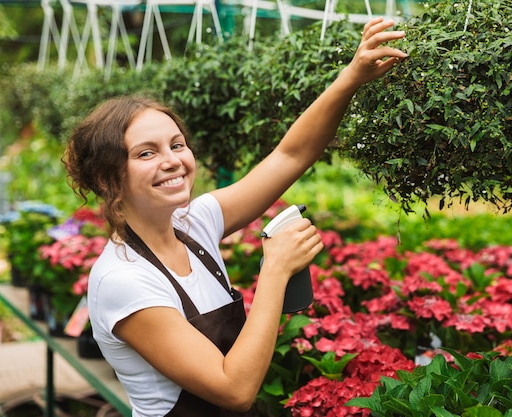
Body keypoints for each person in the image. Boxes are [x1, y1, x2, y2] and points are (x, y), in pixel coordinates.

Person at [63, 17, 407, 417]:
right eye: (147, 153)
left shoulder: (192, 224)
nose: (173, 161)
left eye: (177, 145)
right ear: (108, 179)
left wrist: (351, 76)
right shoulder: (124, 281)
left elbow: (289, 155)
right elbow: (233, 388)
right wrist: (276, 269)